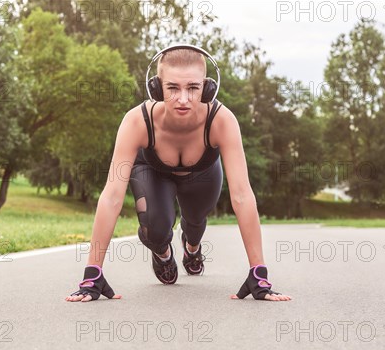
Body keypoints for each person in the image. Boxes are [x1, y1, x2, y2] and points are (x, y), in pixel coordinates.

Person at [65, 44, 291, 302]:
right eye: (172, 88)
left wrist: (258, 273)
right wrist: (92, 274)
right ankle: (163, 255)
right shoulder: (137, 121)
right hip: (152, 171)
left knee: (194, 224)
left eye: (193, 88)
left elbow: (241, 195)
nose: (183, 99)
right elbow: (112, 196)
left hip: (203, 174)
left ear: (207, 88)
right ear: (156, 87)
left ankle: (191, 248)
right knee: (156, 228)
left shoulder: (222, 121)